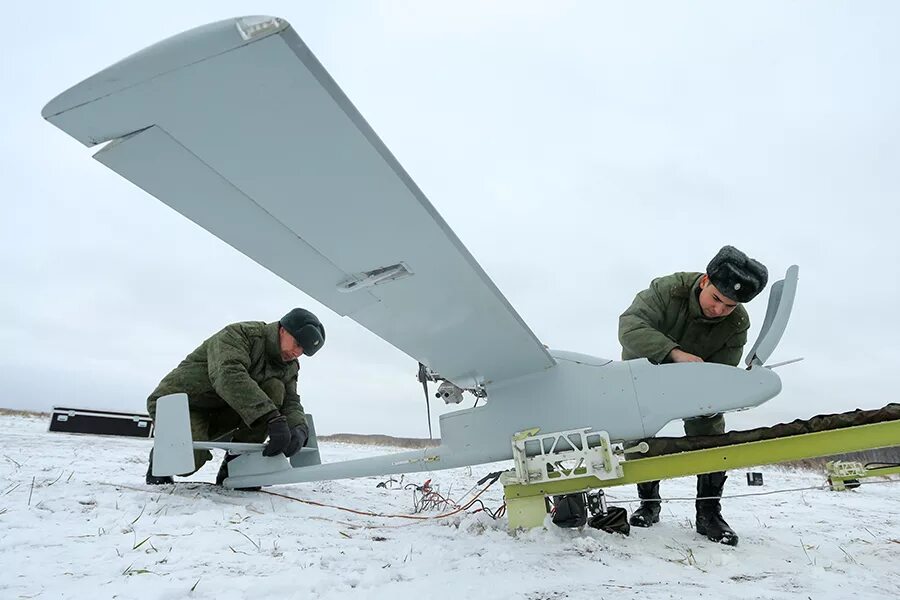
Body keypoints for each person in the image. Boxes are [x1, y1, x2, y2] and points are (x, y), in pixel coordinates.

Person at [619, 245, 768, 546]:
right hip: (646, 372)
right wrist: (674, 353)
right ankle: (649, 505)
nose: (719, 310)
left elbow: (723, 369)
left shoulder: (738, 323)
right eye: (716, 299)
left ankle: (709, 514)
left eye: (729, 306)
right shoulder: (667, 290)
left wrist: (713, 393)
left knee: (712, 435)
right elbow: (630, 326)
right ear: (704, 281)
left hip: (698, 384)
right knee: (637, 437)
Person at [144, 308, 325, 488]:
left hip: (224, 408)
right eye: (297, 343)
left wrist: (299, 428)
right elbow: (228, 376)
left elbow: (290, 400)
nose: (297, 352)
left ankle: (235, 466)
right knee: (186, 462)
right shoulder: (240, 335)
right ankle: (161, 457)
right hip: (182, 404)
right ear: (283, 329)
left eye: (303, 350)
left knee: (276, 388)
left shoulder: (289, 365)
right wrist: (271, 417)